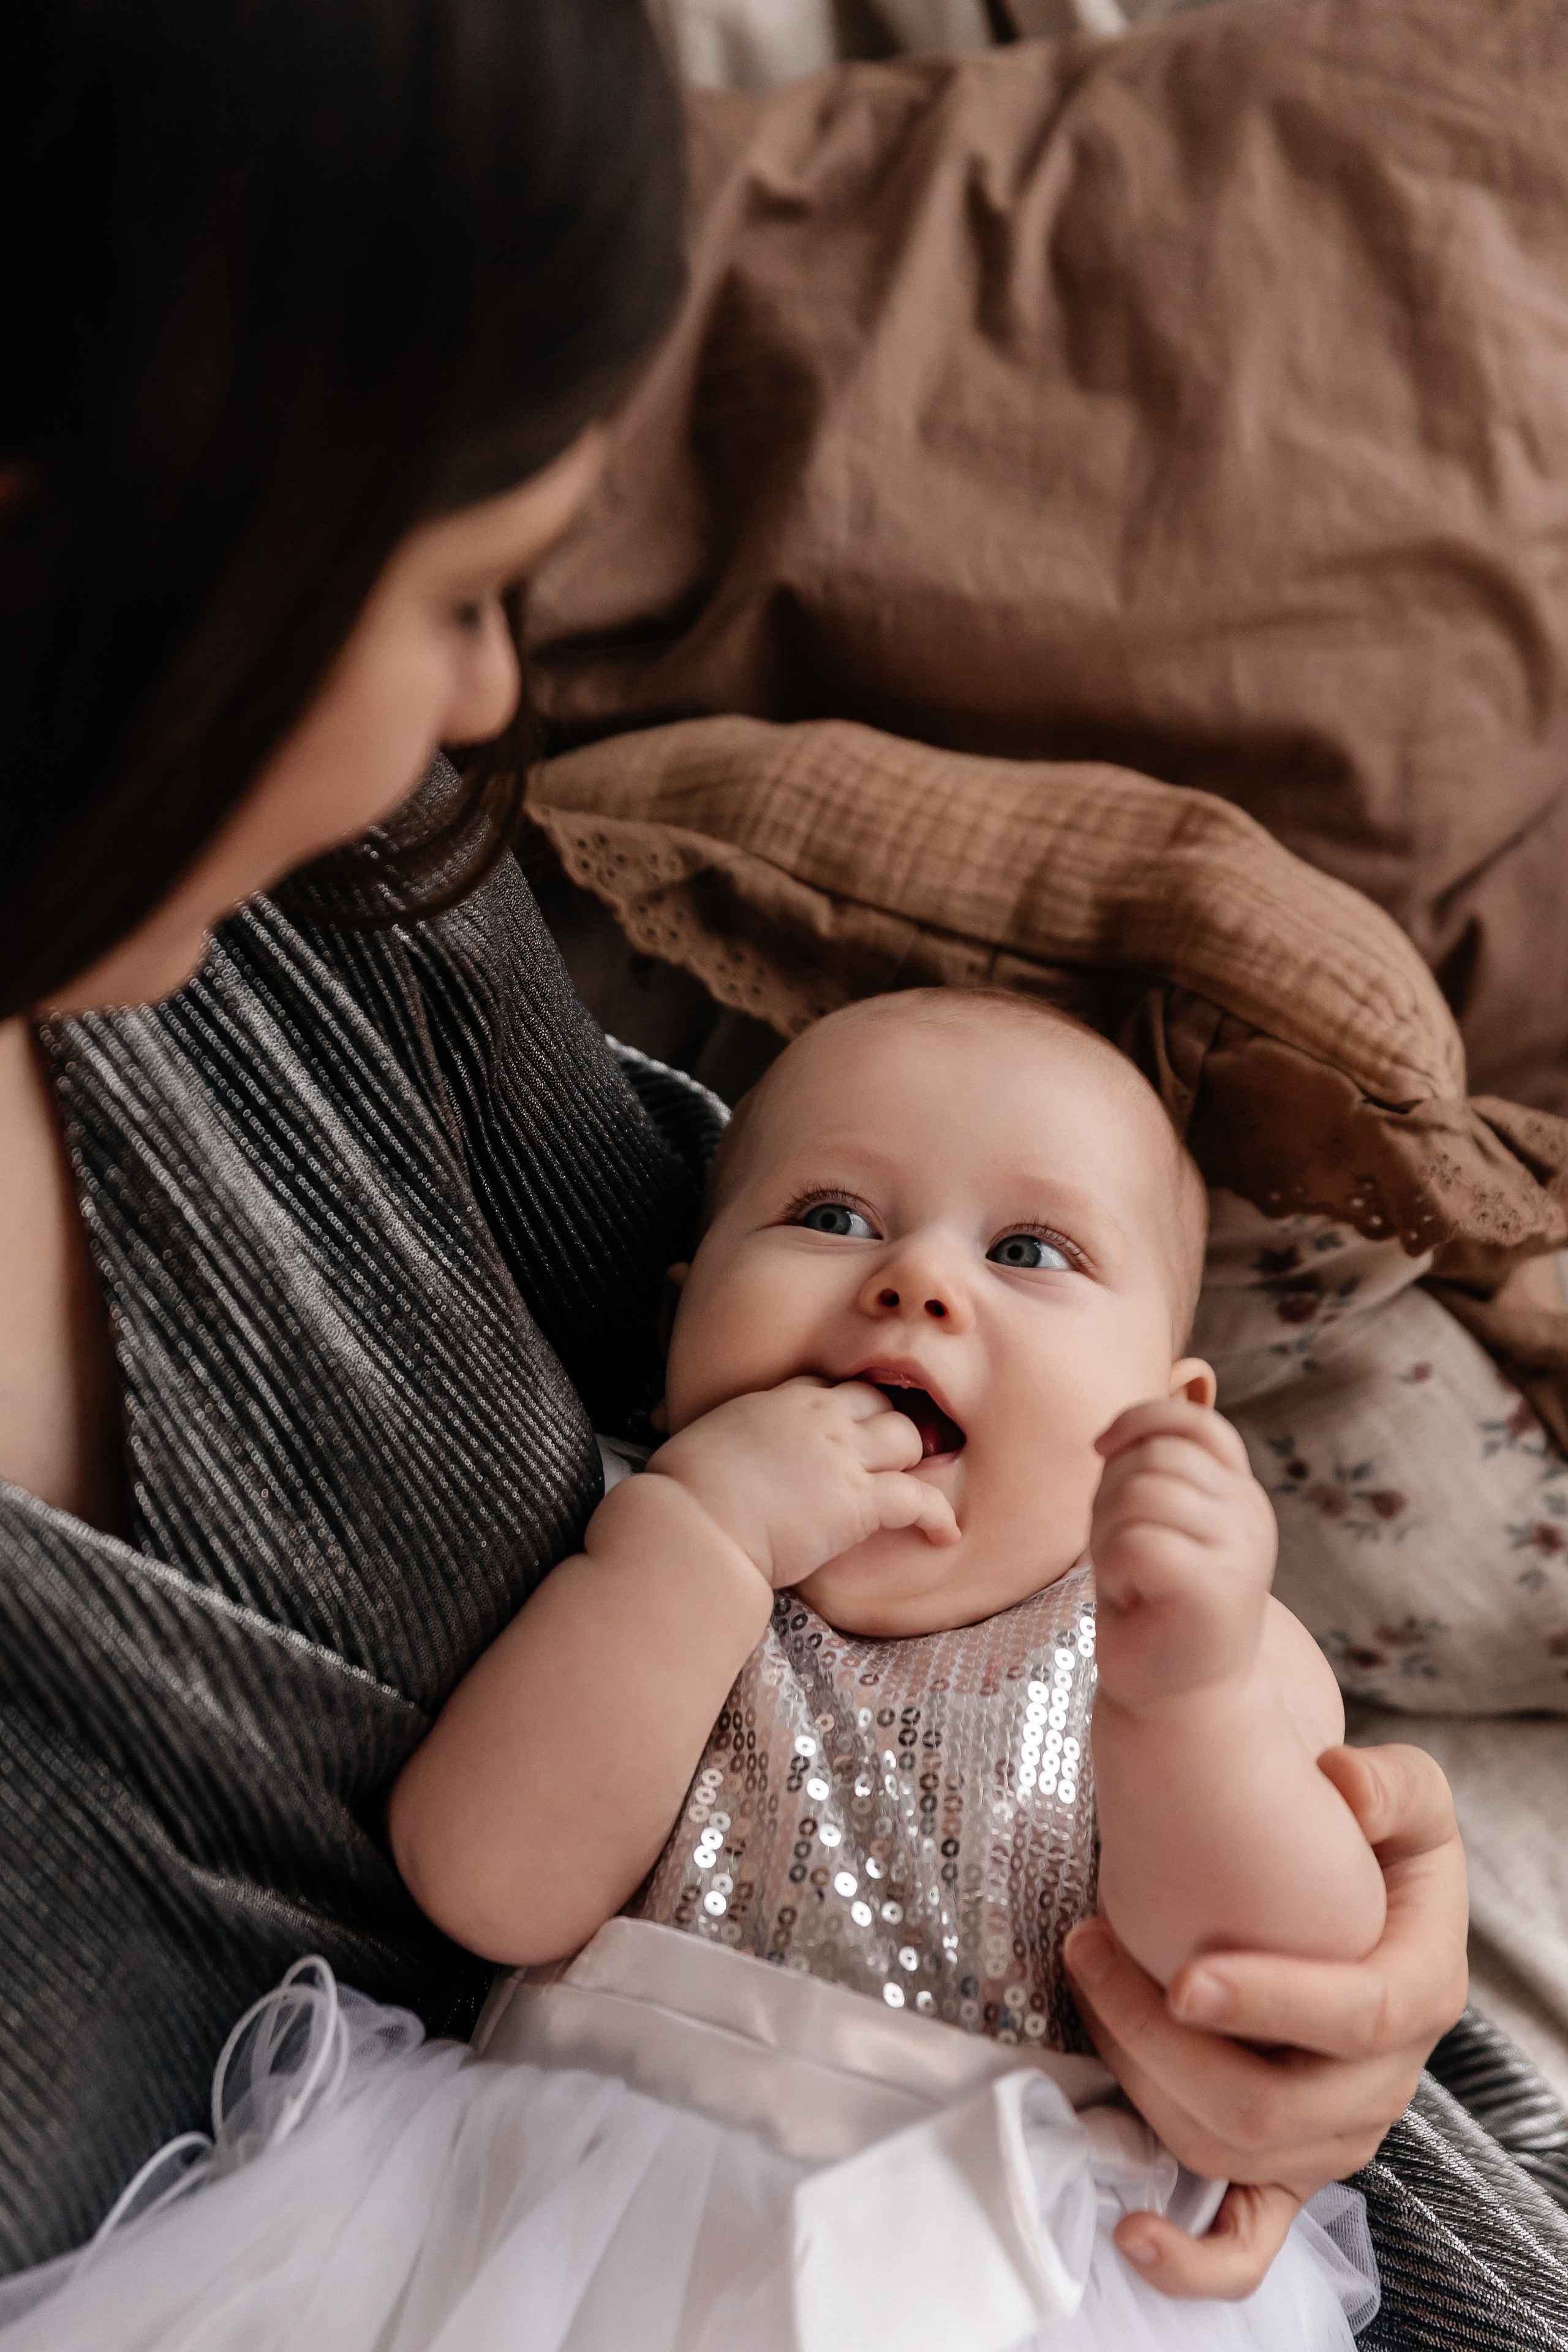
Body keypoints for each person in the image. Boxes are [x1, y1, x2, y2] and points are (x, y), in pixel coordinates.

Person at [0, 0, 1510, 2337]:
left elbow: (1269, 1981)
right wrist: (695, 1534)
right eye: (452, 591)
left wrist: (1310, 1919)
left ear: (1174, 1403)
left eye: (1031, 1256)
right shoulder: (687, 1515)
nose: (913, 1289)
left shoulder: (319, 913)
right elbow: (494, 1875)